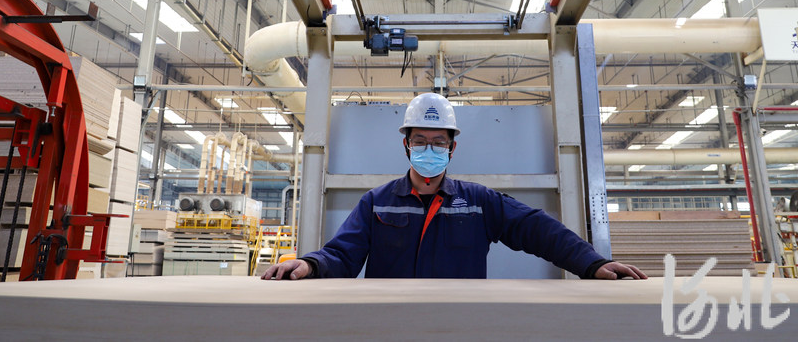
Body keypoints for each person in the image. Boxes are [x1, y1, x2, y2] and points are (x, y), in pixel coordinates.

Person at [262, 92, 646, 281]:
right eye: (420, 141)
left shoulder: (478, 202)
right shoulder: (377, 203)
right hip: (390, 326)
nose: (429, 149)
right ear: (406, 145)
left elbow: (538, 229)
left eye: (439, 142)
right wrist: (310, 264)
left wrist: (592, 264)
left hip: (461, 325)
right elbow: (342, 255)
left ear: (452, 148)